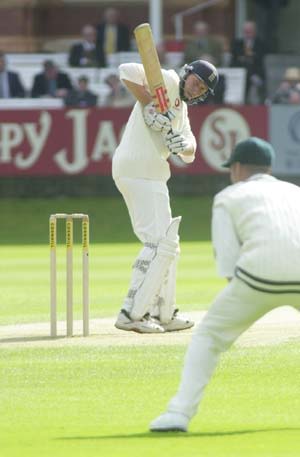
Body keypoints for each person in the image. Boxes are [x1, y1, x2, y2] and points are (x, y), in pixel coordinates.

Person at [150, 137, 300, 432]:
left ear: (239, 168)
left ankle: (179, 414)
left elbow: (228, 264)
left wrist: (244, 301)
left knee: (208, 336)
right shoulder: (296, 191)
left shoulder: (228, 196)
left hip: (258, 277)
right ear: (268, 168)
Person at [112, 59, 219, 333]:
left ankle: (164, 312)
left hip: (154, 175)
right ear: (187, 74)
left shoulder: (180, 110)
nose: (196, 90)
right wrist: (148, 104)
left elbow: (191, 149)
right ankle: (131, 313)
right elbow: (126, 71)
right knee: (157, 244)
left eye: (202, 89)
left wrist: (182, 145)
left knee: (170, 245)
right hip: (135, 168)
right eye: (196, 82)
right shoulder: (168, 80)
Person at [230, 21, 266, 104]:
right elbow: (234, 60)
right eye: (246, 31)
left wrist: (245, 58)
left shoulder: (260, 43)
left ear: (255, 31)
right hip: (240, 74)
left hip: (256, 74)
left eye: (250, 31)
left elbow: (259, 59)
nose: (248, 33)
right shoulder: (237, 43)